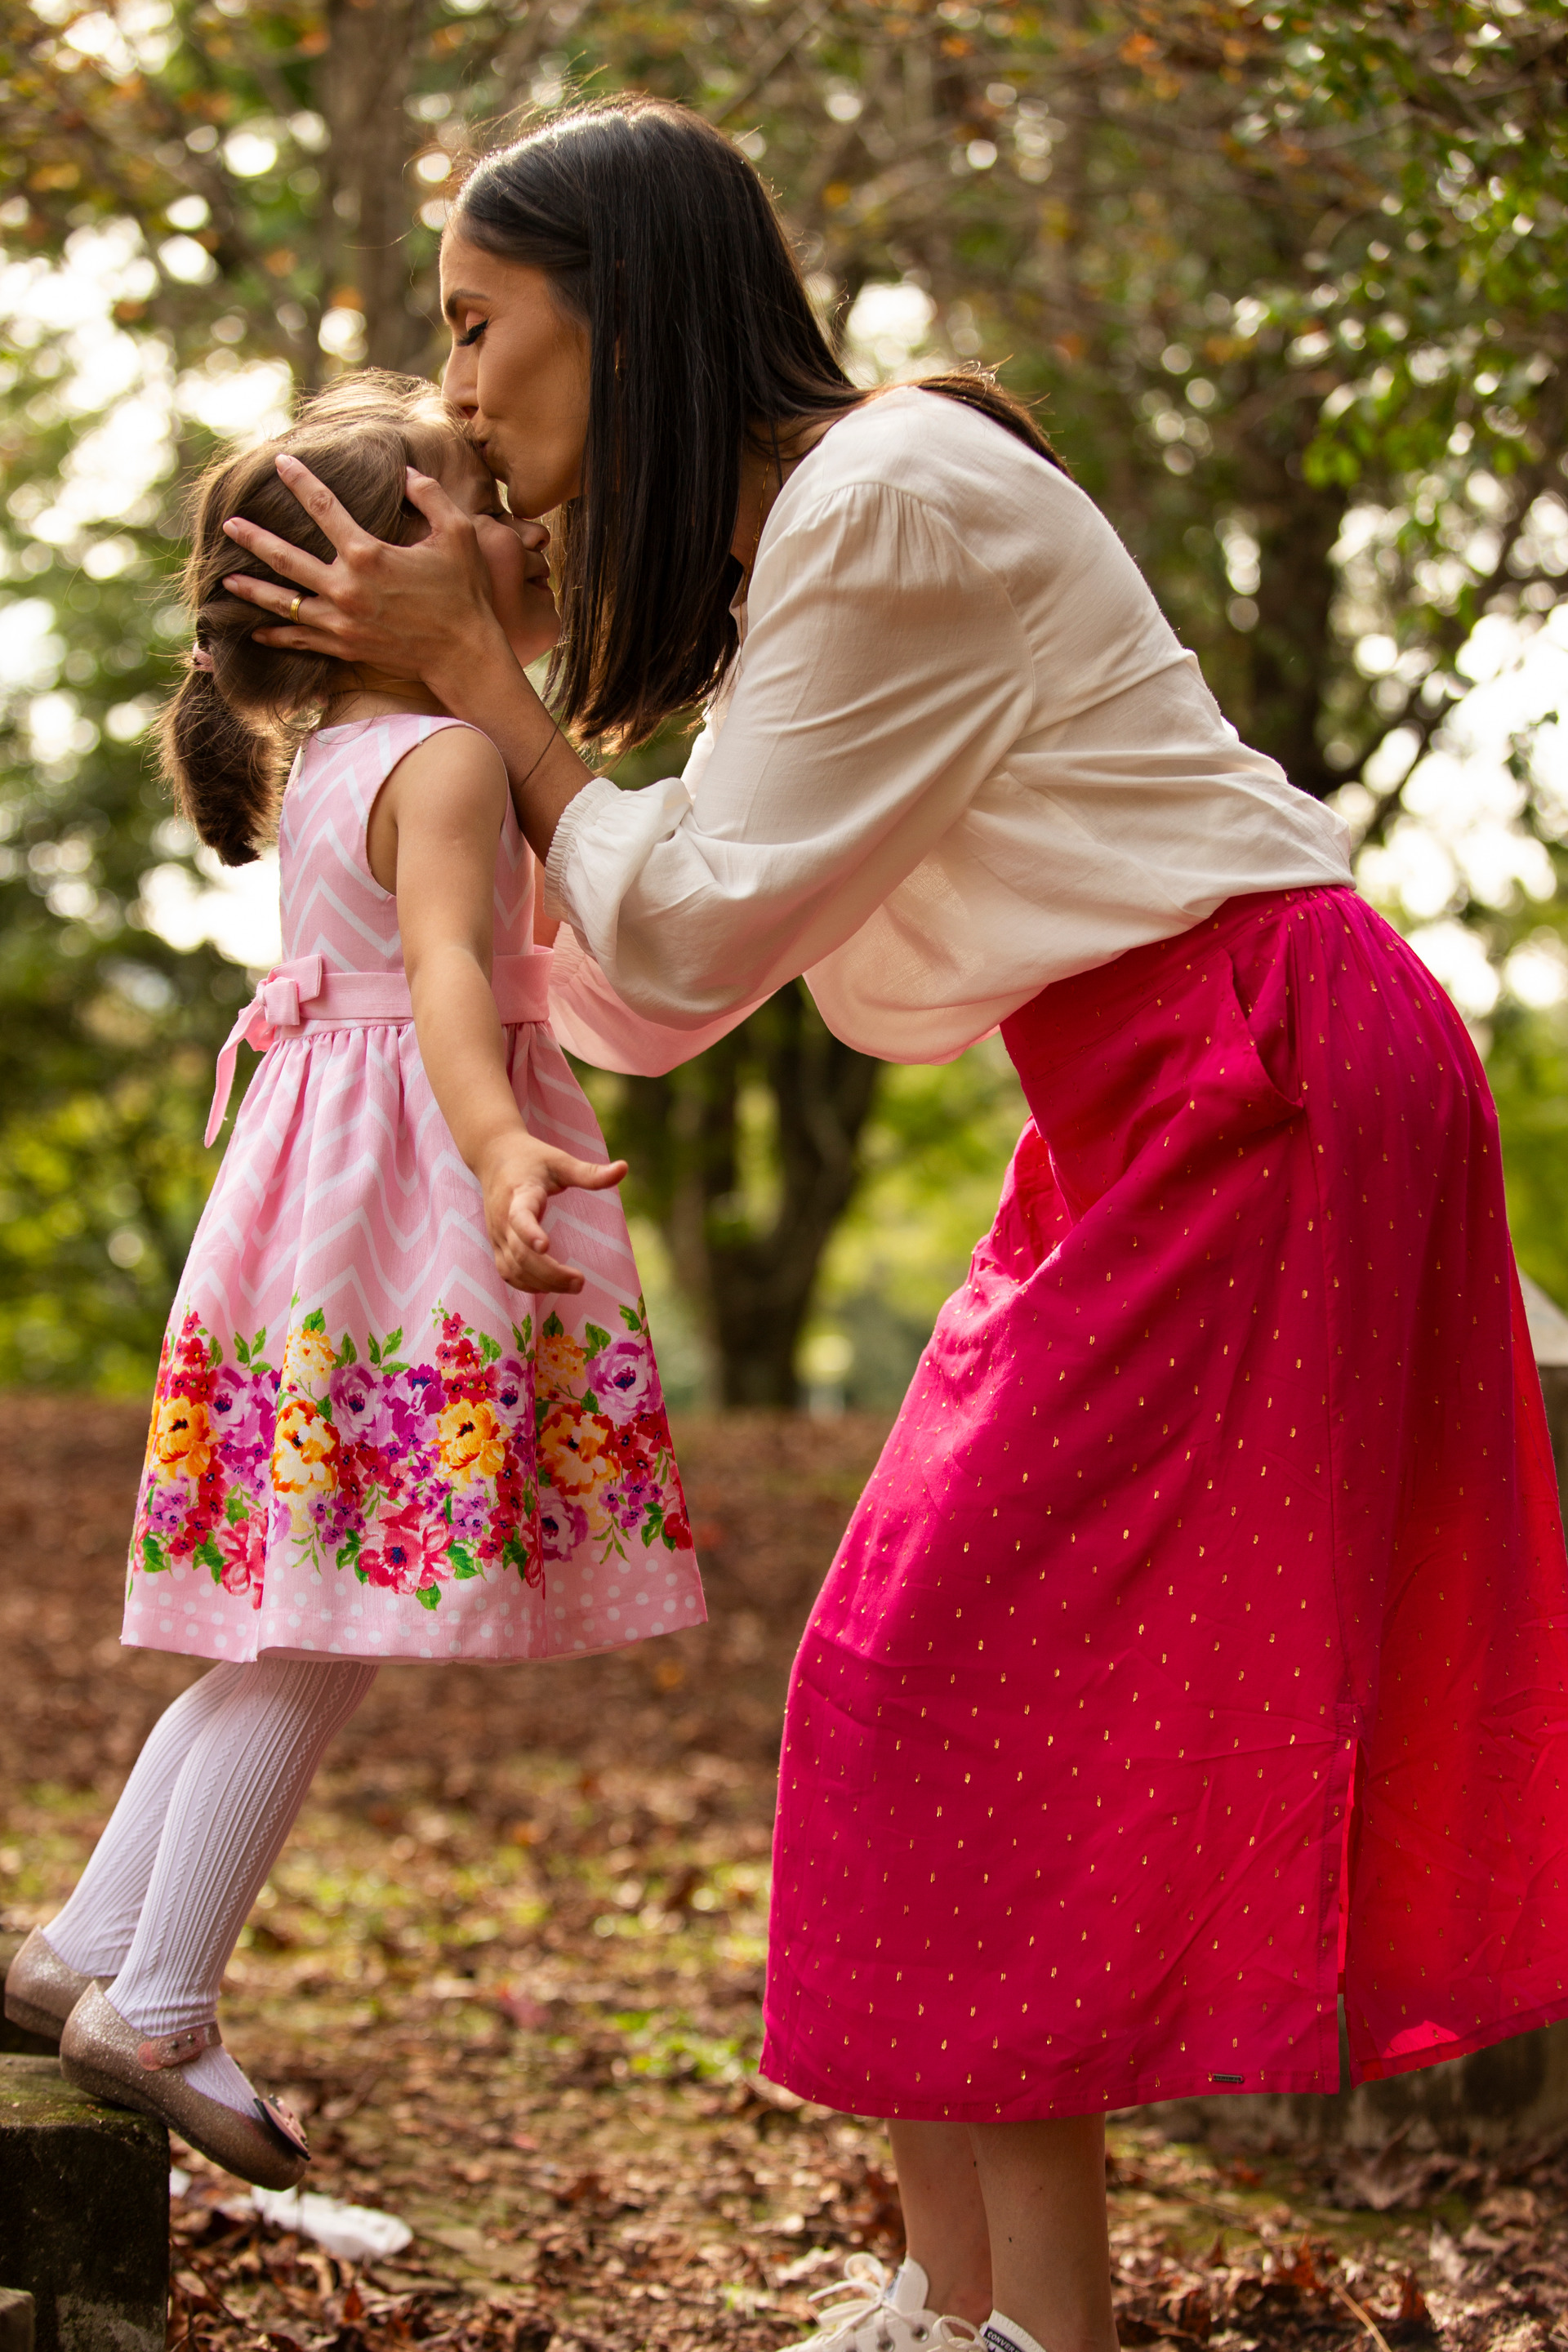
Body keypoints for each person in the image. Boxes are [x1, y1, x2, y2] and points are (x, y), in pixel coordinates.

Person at [211, 98, 1568, 2352]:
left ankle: (1039, 2330)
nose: (458, 393)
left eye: (478, 328)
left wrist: (487, 691)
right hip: (1140, 1091)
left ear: (616, 308)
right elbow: (654, 986)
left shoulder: (893, 498)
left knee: (964, 1688)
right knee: (878, 1685)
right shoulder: (822, 543)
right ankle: (961, 2309)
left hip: (1266, 1076)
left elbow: (697, 911)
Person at [3, 371, 702, 2191]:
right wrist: (500, 1149)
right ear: (375, 580)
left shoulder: (330, 756)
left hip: (308, 1208)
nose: (521, 518)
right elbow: (456, 979)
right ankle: (156, 2000)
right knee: (322, 1624)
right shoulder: (455, 754)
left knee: (292, 1610)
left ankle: (86, 1941)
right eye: (478, 489)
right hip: (401, 1213)